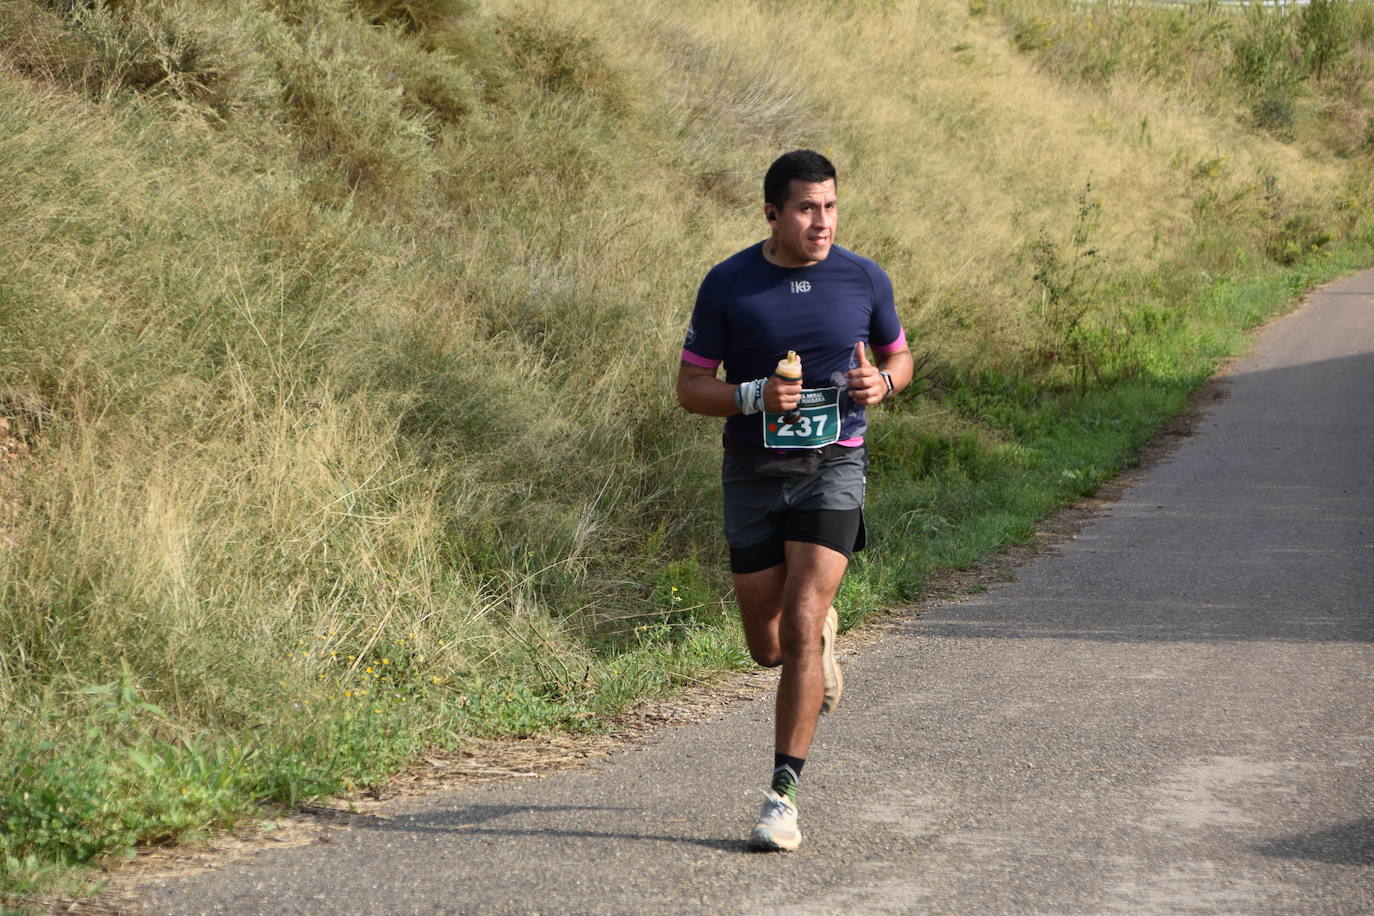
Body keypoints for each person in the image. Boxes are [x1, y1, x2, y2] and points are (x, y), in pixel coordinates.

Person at [676, 149, 913, 851]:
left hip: (832, 468)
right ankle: (816, 640)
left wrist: (886, 386)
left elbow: (899, 356)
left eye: (831, 206)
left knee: (802, 619)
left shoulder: (864, 278)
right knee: (768, 645)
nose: (822, 222)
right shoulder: (729, 285)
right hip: (753, 473)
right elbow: (690, 387)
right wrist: (751, 395)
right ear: (772, 213)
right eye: (807, 208)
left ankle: (782, 796)